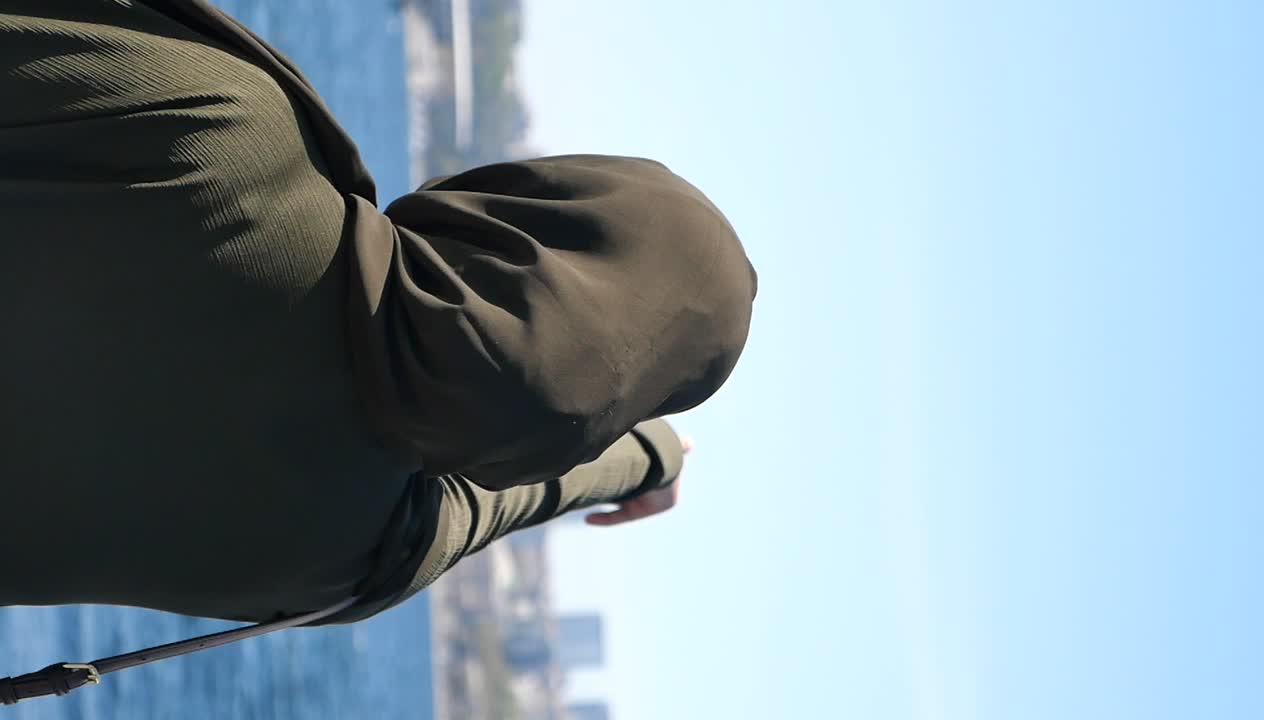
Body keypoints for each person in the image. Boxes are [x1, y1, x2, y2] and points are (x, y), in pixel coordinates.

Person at [0, 0, 756, 629]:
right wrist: (650, 457)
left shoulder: (231, 137)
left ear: (535, 198)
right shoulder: (354, 556)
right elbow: (509, 485)